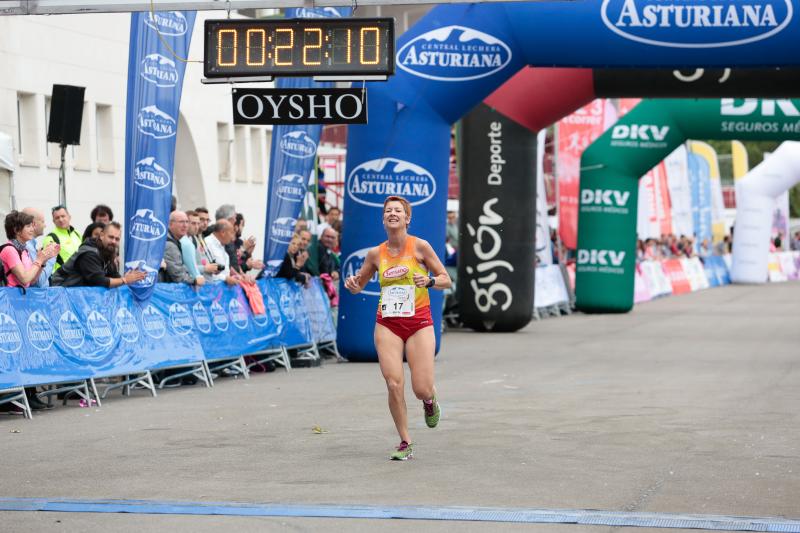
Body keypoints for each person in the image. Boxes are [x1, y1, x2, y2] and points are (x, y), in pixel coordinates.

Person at [344, 195, 451, 461]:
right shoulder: (375, 254)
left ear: (407, 218)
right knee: (393, 383)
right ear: (383, 219)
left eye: (398, 211)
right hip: (388, 323)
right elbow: (361, 283)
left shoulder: (420, 247)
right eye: (388, 211)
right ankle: (405, 441)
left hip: (419, 323)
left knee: (421, 388)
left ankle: (430, 400)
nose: (393, 214)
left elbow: (445, 280)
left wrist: (427, 281)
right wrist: (355, 286)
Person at [50, 222, 146, 288]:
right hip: (60, 293)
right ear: (101, 235)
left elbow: (114, 275)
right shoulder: (89, 253)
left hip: (79, 296)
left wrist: (130, 277)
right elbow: (100, 281)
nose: (113, 241)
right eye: (111, 237)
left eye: (117, 239)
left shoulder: (107, 252)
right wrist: (124, 280)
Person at [1, 211, 59, 289]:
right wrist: (39, 260)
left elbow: (32, 281)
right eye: (28, 226)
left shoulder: (24, 250)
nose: (32, 229)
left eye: (32, 226)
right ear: (16, 230)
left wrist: (44, 260)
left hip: (20, 297)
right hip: (10, 298)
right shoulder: (9, 250)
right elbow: (24, 279)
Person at [161, 211, 204, 286]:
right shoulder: (170, 245)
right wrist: (195, 281)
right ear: (170, 224)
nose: (185, 225)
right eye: (181, 222)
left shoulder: (176, 240)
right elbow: (178, 275)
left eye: (187, 222)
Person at [21, 207, 58, 288]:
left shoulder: (29, 245)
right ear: (34, 223)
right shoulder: (27, 246)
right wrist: (52, 257)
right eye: (42, 222)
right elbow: (38, 282)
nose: (45, 225)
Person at [42, 205, 83, 272]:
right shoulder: (51, 238)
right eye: (57, 218)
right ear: (53, 221)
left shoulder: (77, 234)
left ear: (69, 217)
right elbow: (47, 265)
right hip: (63, 279)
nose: (60, 220)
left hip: (80, 276)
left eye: (63, 216)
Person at [202, 219, 239, 285]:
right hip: (211, 290)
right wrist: (226, 278)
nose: (232, 237)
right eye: (231, 233)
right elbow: (206, 270)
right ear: (223, 232)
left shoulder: (222, 245)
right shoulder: (207, 244)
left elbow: (224, 270)